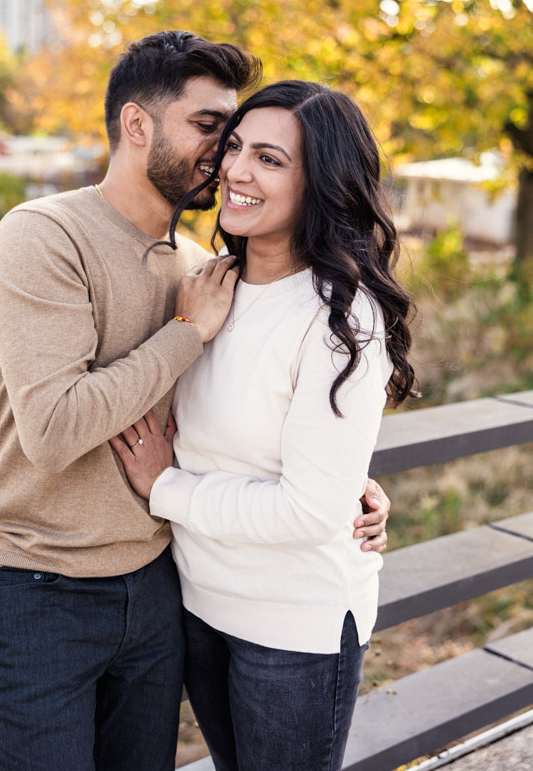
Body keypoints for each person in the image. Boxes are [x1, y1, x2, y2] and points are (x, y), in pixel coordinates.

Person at [0, 35, 391, 771]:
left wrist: (345, 482)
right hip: (38, 585)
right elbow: (56, 429)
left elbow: (243, 417)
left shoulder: (204, 271)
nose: (224, 158)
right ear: (136, 125)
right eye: (212, 130)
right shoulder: (46, 235)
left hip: (161, 585)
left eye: (248, 144)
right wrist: (186, 334)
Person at [112, 79, 416, 771]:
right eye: (235, 148)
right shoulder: (206, 289)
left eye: (271, 160)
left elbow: (308, 512)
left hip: (293, 631)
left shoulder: (343, 318)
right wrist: (343, 476)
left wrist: (165, 488)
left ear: (321, 183)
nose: (237, 171)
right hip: (200, 609)